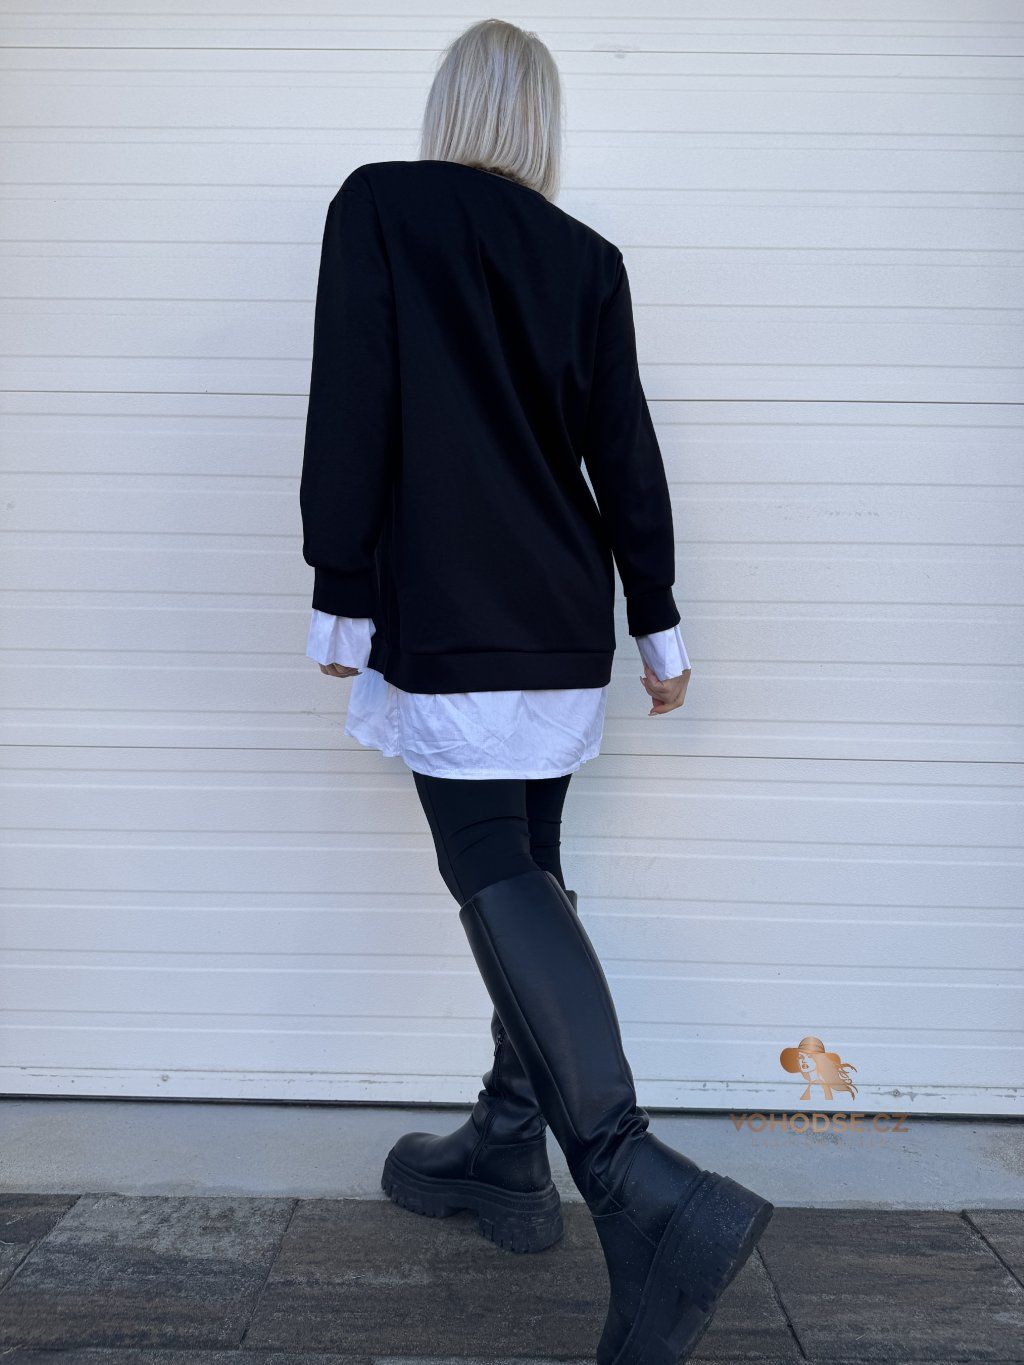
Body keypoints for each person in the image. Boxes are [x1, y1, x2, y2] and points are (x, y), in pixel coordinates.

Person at [299, 19, 773, 1364]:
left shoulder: (382, 206)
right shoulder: (584, 258)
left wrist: (340, 584)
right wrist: (657, 626)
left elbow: (353, 397)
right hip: (559, 618)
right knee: (534, 868)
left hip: (453, 612)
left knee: (491, 867)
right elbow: (627, 451)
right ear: (542, 123)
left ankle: (637, 1183)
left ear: (451, 105)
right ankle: (511, 1141)